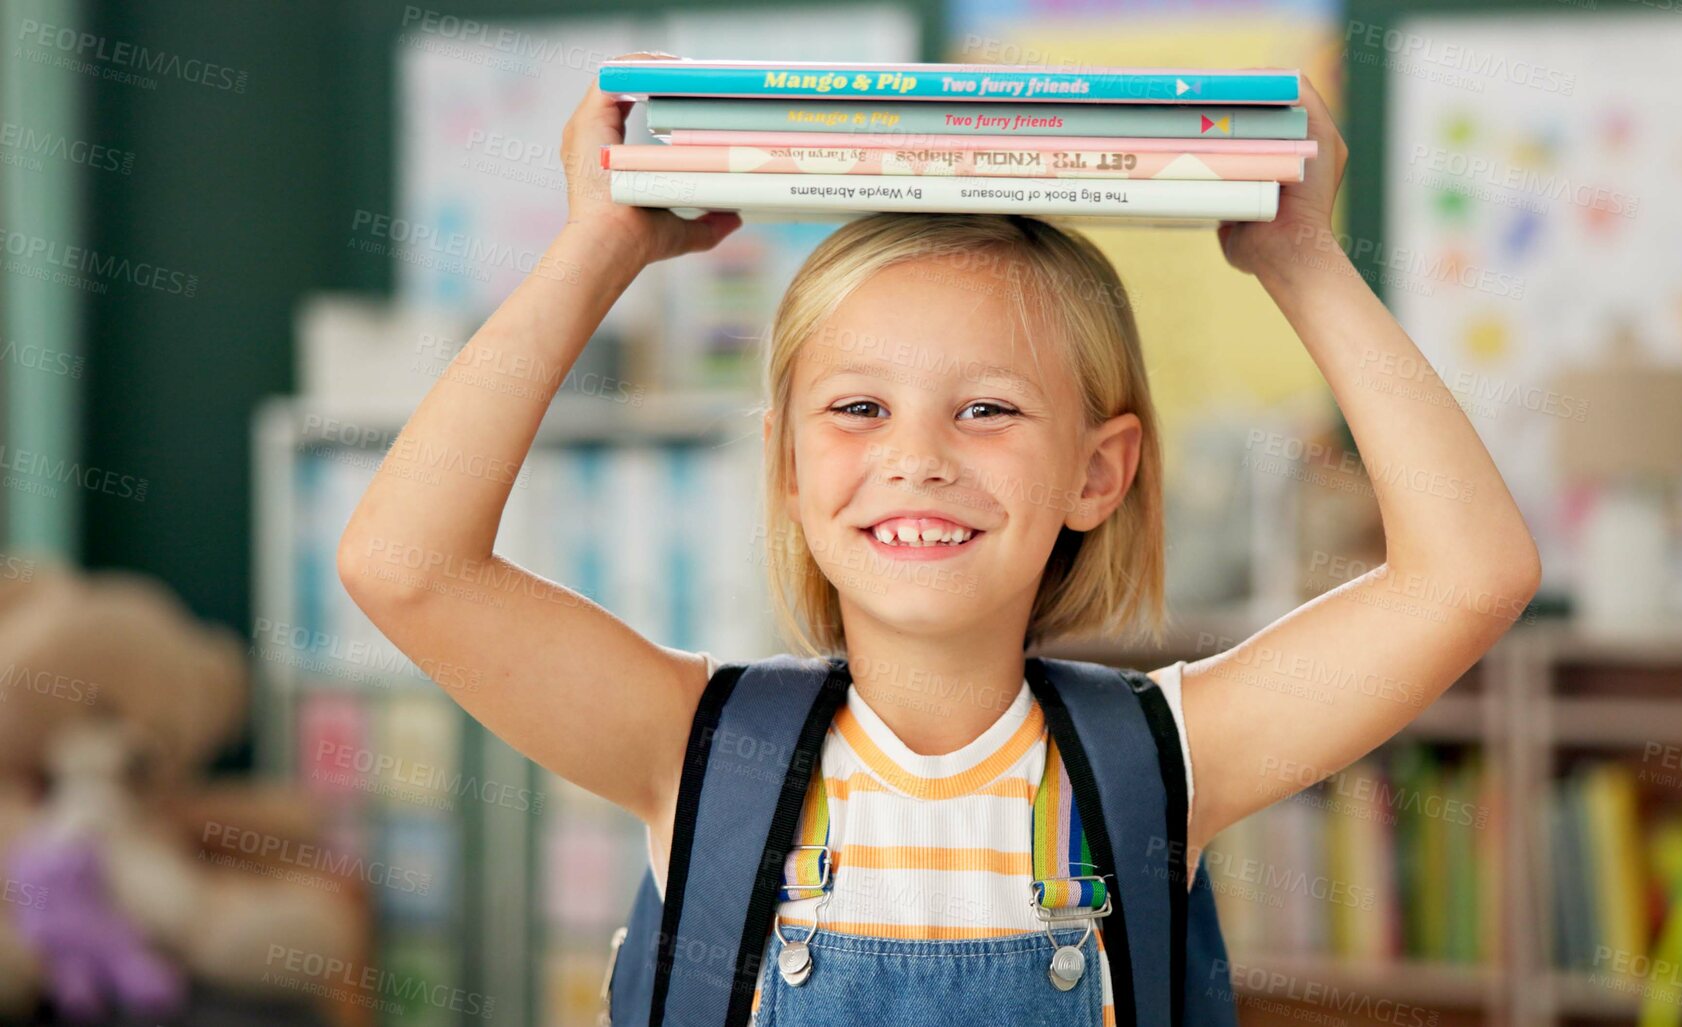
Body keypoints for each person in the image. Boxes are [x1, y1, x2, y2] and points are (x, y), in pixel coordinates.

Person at [339, 53, 1540, 1024]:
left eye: (988, 409)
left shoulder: (1165, 759)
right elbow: (406, 565)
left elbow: (1469, 576)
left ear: (1097, 471)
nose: (918, 456)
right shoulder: (695, 748)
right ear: (788, 467)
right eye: (858, 408)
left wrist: (1303, 257)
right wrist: (596, 246)